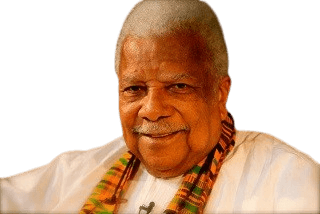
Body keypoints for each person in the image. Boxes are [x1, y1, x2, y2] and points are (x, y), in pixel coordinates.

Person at [1, 0, 319, 213]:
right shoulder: (85, 171)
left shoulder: (289, 182)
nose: (152, 110)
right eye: (134, 89)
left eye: (178, 86)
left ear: (220, 95)